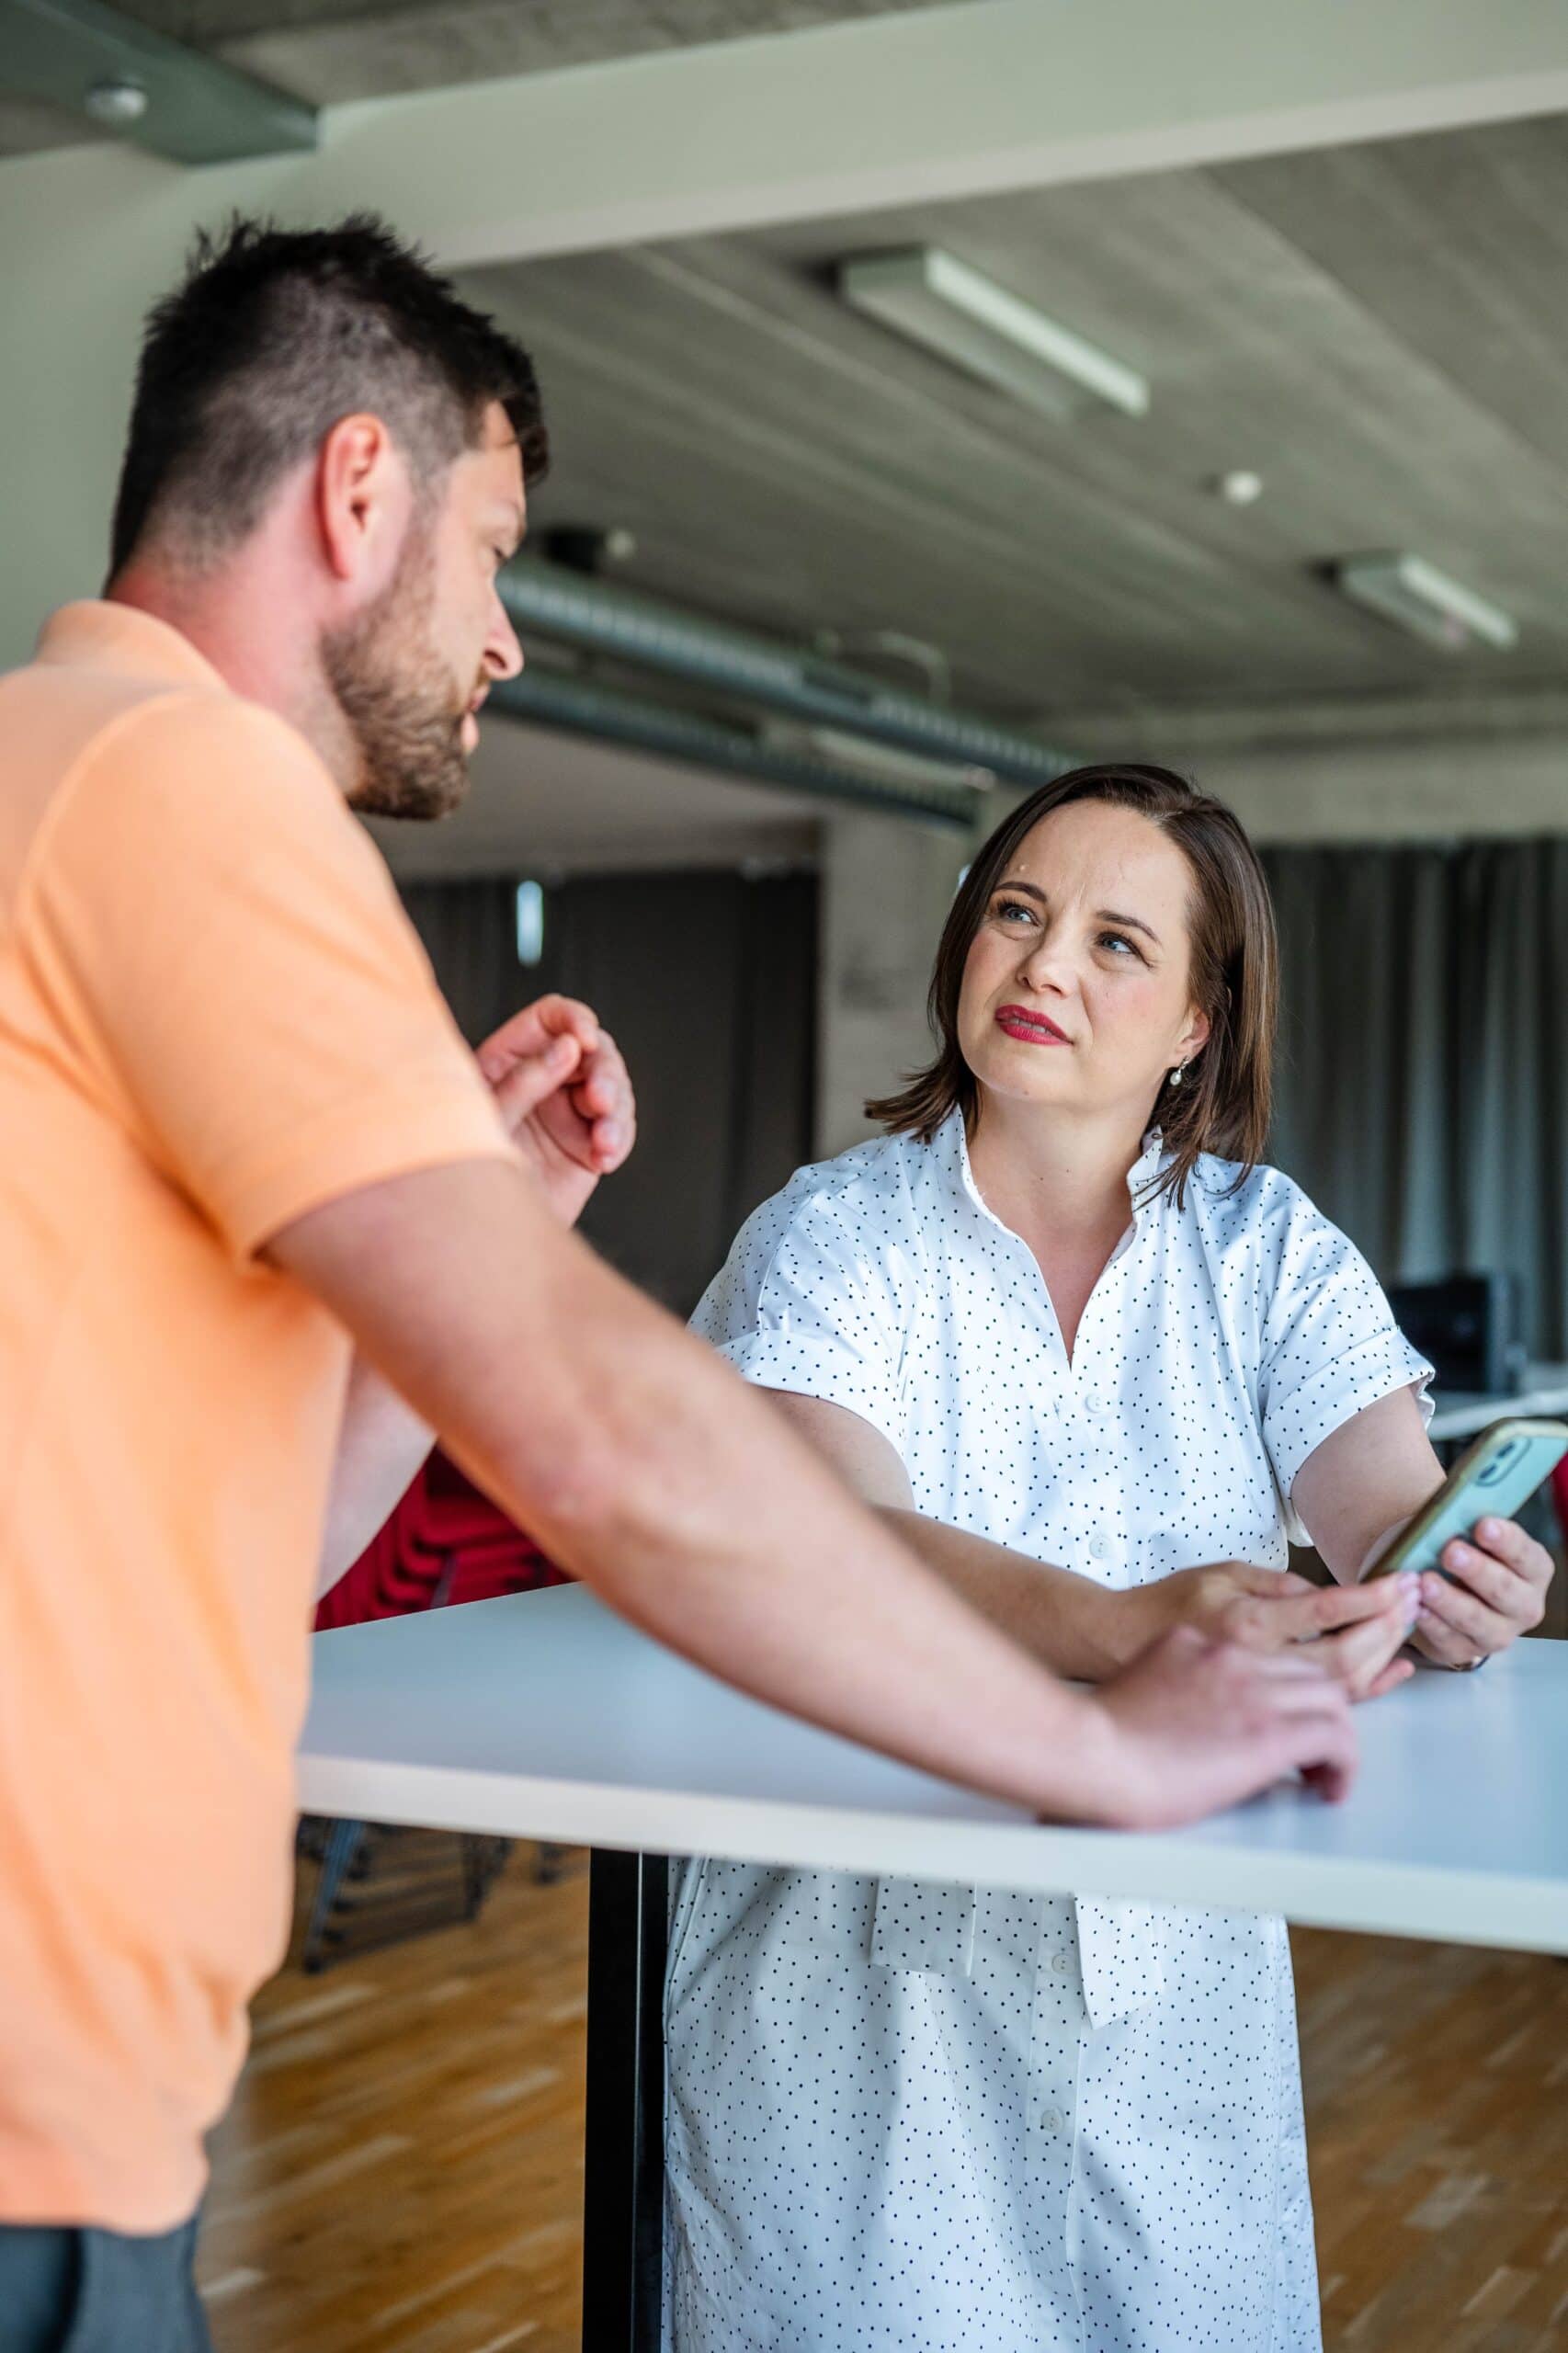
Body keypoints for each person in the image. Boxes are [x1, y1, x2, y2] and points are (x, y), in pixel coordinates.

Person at [0, 222, 1363, 2349]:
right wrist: (1095, 1750)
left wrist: (488, 1215)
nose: (509, 639)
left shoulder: (53, 772)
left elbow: (261, 1543)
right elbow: (631, 1444)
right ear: (358, 494)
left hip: (85, 2095)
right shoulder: (188, 791)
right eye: (494, 551)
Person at [664, 764, 1555, 2353]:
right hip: (862, 1995)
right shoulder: (831, 1238)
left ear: (1197, 1023)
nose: (1043, 965)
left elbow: (1381, 1508)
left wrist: (1447, 1589)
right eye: (1016, 912)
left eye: (1114, 942)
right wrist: (1122, 1625)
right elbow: (824, 1538)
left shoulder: (1266, 1246)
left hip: (1179, 1980)